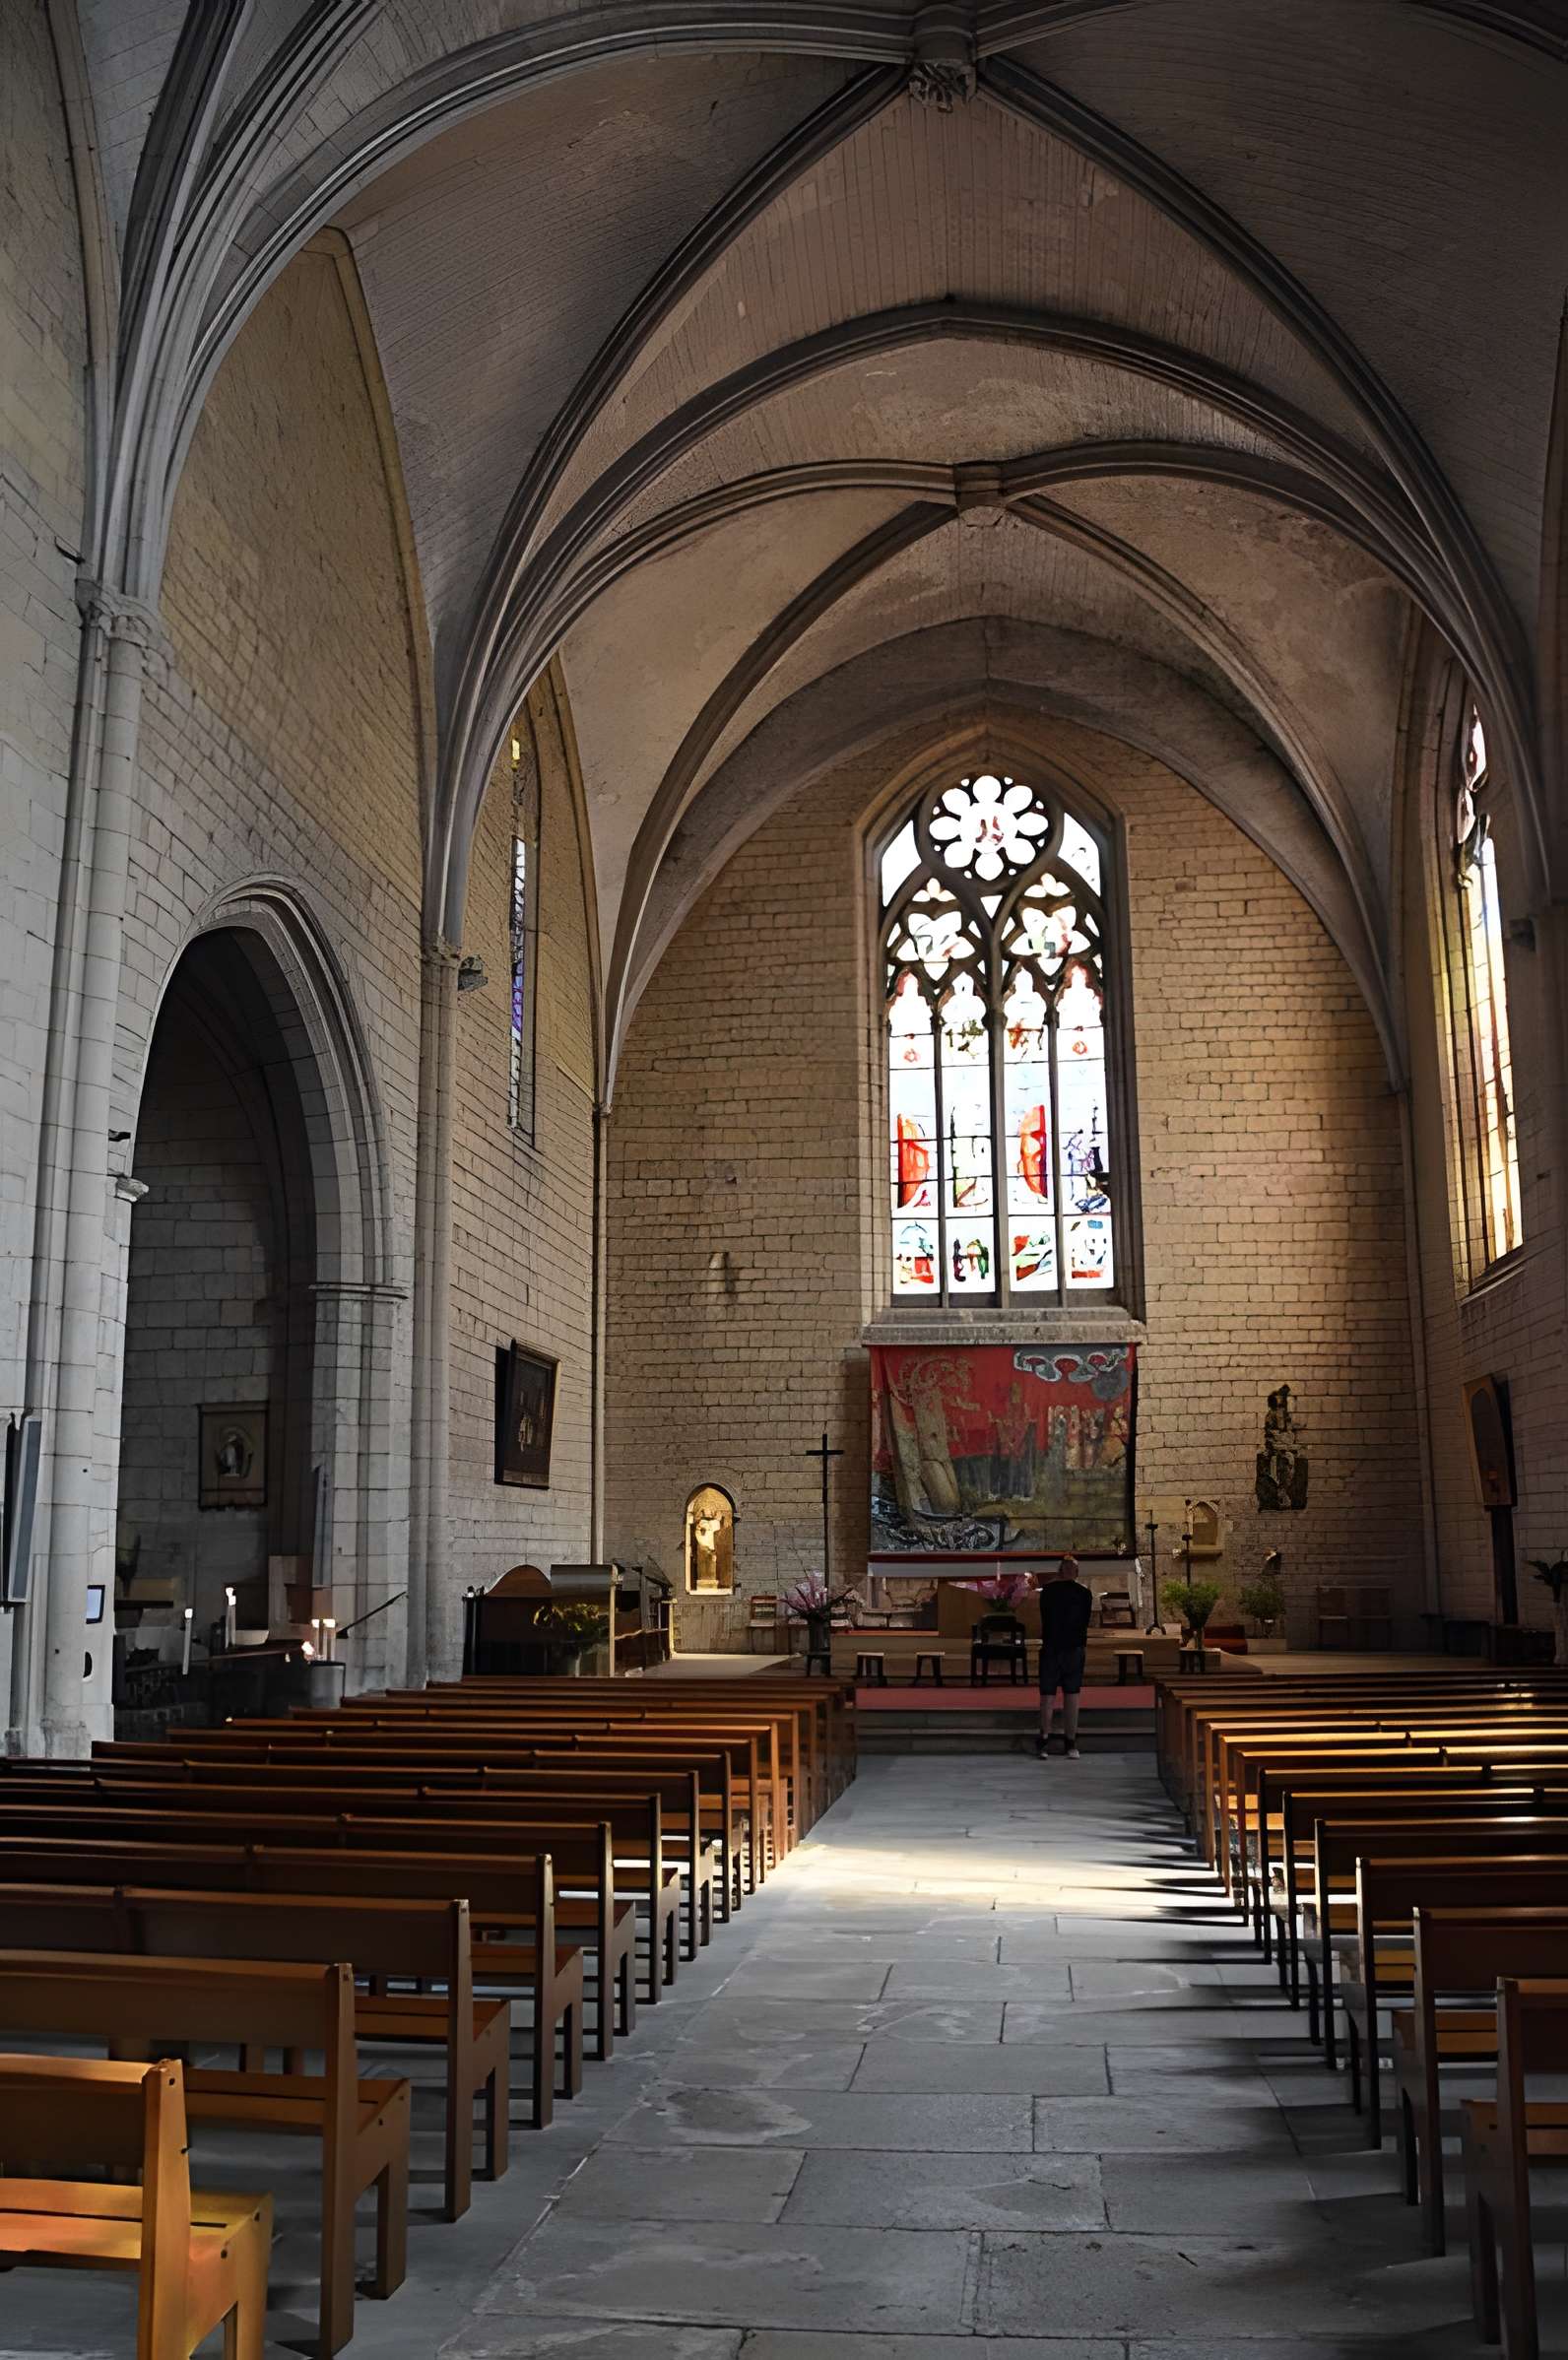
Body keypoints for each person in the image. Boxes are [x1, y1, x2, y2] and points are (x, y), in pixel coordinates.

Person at [1036, 1552, 1091, 1759]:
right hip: (1074, 1647)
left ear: (1059, 1571)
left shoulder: (1048, 1592)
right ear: (1076, 1573)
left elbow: (1044, 1616)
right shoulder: (1084, 1594)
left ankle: (1044, 1740)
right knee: (1072, 1694)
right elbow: (1085, 1622)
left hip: (1052, 1646)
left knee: (1047, 1694)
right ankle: (1071, 1743)